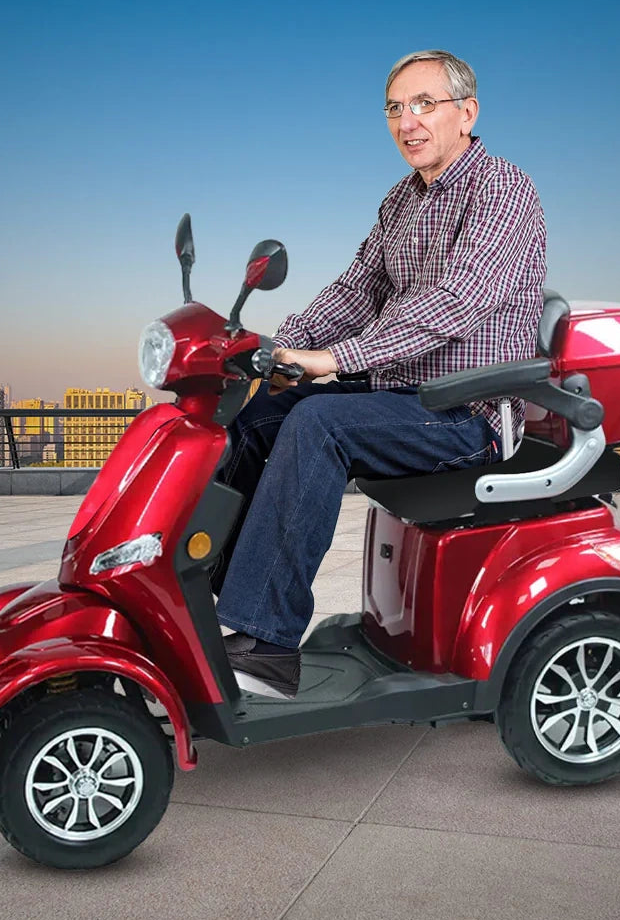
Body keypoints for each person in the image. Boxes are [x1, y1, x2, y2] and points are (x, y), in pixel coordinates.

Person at [214, 49, 547, 699]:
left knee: (318, 423)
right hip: (399, 395)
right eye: (396, 108)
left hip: (465, 414)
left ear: (466, 113)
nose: (407, 121)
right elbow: (357, 289)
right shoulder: (401, 200)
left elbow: (459, 299)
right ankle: (213, 594)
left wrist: (337, 360)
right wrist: (284, 348)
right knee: (262, 415)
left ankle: (266, 645)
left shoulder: (505, 190)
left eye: (424, 104)